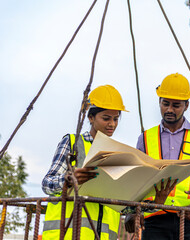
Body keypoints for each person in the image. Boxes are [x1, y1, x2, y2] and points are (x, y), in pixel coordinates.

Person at [136, 73, 190, 240]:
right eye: (165, 104)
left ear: (187, 105)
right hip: (155, 220)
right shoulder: (145, 139)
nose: (169, 110)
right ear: (159, 102)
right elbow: (137, 181)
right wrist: (132, 211)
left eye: (176, 105)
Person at [41, 85, 127, 239]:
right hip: (68, 235)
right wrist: (67, 179)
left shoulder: (117, 154)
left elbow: (121, 203)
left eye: (116, 119)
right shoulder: (73, 143)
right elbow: (47, 184)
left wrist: (153, 204)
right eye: (106, 118)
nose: (112, 124)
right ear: (91, 117)